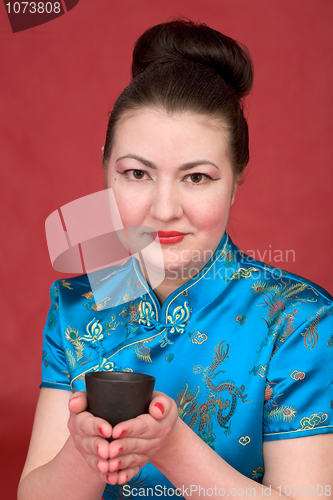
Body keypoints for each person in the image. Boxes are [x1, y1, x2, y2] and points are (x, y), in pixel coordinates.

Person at [18, 20, 333, 500]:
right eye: (137, 173)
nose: (164, 209)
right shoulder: (77, 306)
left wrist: (171, 445)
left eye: (197, 178)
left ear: (237, 176)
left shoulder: (298, 321)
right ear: (106, 166)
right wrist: (82, 454)